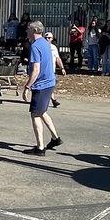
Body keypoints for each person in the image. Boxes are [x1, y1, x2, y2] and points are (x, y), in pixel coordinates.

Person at [21, 20, 62, 155]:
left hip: (41, 84)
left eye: (28, 28)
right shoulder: (45, 43)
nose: (26, 30)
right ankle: (55, 138)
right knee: (41, 111)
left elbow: (36, 69)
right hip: (50, 82)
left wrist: (27, 86)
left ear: (33, 30)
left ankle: (40, 148)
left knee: (35, 114)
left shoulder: (35, 46)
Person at [44, 31, 66, 108]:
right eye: (46, 38)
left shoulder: (53, 47)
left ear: (52, 39)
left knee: (51, 86)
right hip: (44, 71)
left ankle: (52, 100)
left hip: (52, 70)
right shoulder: (42, 47)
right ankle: (52, 100)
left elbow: (57, 58)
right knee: (46, 86)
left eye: (49, 38)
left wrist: (62, 68)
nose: (47, 39)